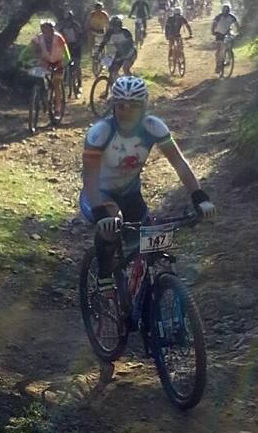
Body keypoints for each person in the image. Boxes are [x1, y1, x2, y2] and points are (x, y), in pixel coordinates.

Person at [80, 75, 215, 326]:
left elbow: (179, 164)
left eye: (133, 105)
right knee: (113, 221)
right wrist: (101, 212)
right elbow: (89, 177)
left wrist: (199, 196)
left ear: (144, 107)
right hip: (98, 194)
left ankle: (142, 291)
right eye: (121, 104)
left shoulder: (154, 128)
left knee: (146, 238)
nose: (126, 110)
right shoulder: (100, 133)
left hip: (131, 193)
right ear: (113, 106)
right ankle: (104, 278)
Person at [28, 20, 70, 93]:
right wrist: (22, 60)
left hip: (58, 62)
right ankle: (41, 97)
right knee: (38, 77)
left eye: (47, 30)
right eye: (43, 30)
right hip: (46, 61)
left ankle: (58, 104)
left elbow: (66, 54)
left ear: (52, 30)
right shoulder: (39, 38)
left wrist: (65, 62)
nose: (45, 33)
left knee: (56, 84)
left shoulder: (58, 38)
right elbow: (28, 50)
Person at [58, 8, 85, 92]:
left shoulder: (76, 26)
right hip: (67, 46)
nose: (67, 22)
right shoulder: (61, 27)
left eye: (69, 20)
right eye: (66, 20)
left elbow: (81, 37)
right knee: (64, 63)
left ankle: (79, 82)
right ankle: (65, 81)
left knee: (77, 65)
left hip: (76, 45)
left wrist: (78, 45)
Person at [211, 2, 241, 73]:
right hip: (219, 34)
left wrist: (239, 32)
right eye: (224, 11)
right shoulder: (218, 17)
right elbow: (214, 24)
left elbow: (237, 25)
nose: (225, 12)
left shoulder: (232, 17)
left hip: (227, 33)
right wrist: (213, 31)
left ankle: (229, 57)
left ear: (228, 11)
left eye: (226, 11)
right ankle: (218, 64)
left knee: (229, 44)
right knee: (219, 49)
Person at [164, 7, 193, 74]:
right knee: (172, 46)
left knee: (180, 47)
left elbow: (187, 25)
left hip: (176, 35)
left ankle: (177, 54)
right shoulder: (173, 18)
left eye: (178, 15)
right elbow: (167, 27)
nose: (177, 16)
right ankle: (171, 57)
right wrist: (190, 34)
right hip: (172, 35)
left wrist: (190, 33)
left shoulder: (180, 18)